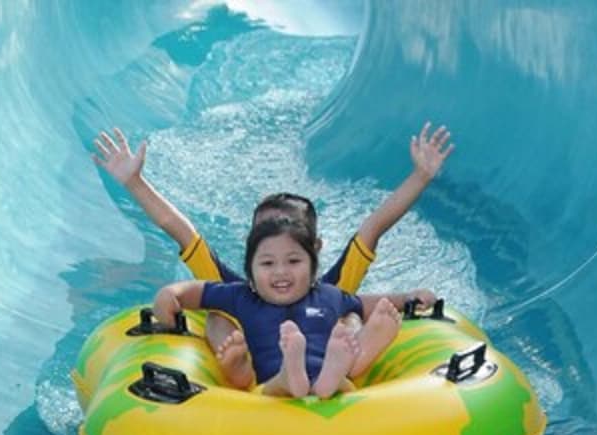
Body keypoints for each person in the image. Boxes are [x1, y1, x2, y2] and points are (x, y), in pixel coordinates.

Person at [92, 121, 454, 387]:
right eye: (266, 251)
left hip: (329, 366)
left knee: (348, 317)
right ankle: (239, 369)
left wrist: (421, 177)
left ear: (313, 249)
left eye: (292, 254)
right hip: (260, 382)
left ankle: (348, 360)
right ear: (253, 254)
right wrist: (134, 183)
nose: (280, 265)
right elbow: (179, 228)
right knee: (218, 316)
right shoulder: (235, 290)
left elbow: (374, 228)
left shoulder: (332, 289)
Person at [152, 216, 403, 398]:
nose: (281, 271)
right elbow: (199, 292)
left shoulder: (329, 295)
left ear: (313, 268)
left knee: (343, 369)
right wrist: (171, 294)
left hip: (329, 376)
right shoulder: (242, 296)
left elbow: (362, 304)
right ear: (250, 272)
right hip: (272, 388)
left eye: (293, 261)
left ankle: (335, 374)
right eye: (267, 263)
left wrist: (407, 299)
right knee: (277, 385)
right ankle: (298, 376)